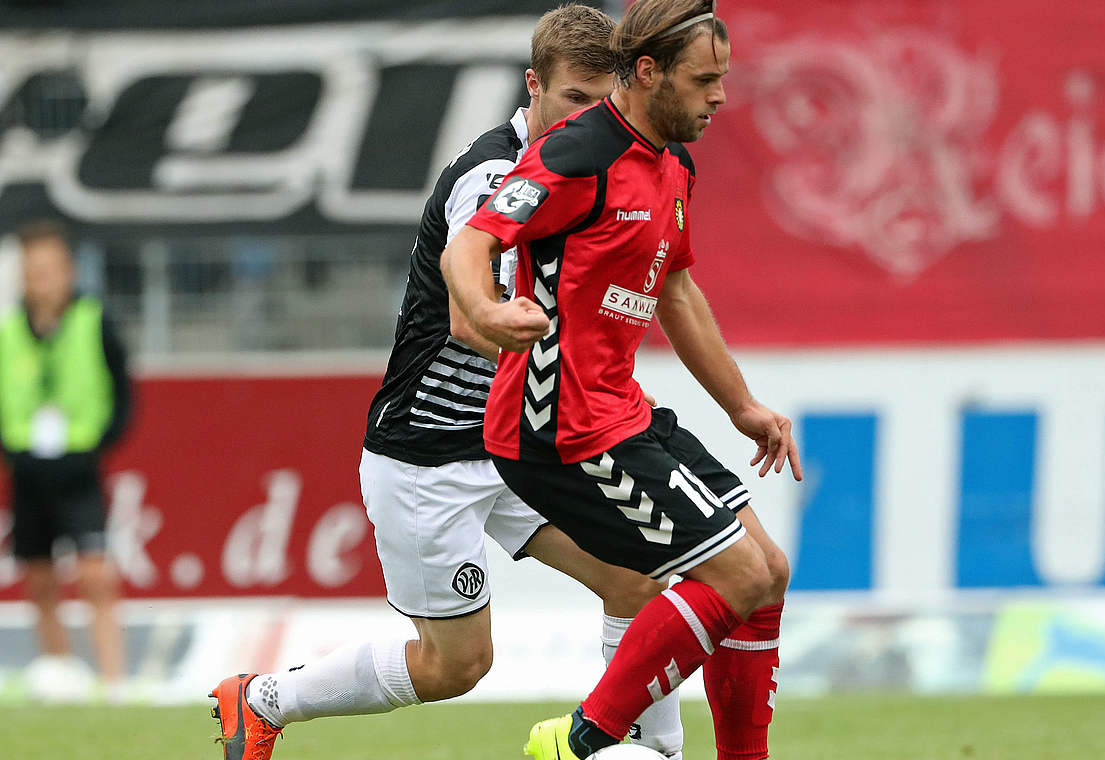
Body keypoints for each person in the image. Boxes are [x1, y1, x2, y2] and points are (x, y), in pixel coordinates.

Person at [210, 7, 686, 760]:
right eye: (573, 99)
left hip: (516, 444)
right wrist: (590, 382)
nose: (587, 120)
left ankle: (645, 752)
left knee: (638, 575)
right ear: (534, 87)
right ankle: (263, 699)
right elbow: (475, 321)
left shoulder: (592, 174)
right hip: (428, 453)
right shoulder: (495, 177)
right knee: (455, 666)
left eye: (604, 103)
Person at [446, 2, 798, 759]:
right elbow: (471, 245)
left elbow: (675, 290)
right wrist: (487, 310)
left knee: (767, 574)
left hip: (622, 415)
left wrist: (743, 407)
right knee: (736, 575)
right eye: (703, 79)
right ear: (647, 72)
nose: (720, 97)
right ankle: (580, 741)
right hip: (554, 428)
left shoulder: (675, 166)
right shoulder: (576, 155)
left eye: (723, 79)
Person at [0, 219, 131, 697]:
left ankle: (113, 681)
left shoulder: (93, 321)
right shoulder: (9, 329)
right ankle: (59, 671)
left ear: (69, 271)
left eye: (51, 270)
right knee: (38, 578)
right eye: (33, 271)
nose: (42, 280)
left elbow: (121, 391)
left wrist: (97, 444)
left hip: (78, 470)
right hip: (28, 472)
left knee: (96, 574)